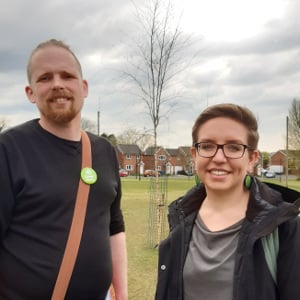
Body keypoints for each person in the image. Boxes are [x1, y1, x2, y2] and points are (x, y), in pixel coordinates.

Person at [0, 39, 127, 300]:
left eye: (67, 76)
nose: (57, 83)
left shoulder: (104, 151)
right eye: (45, 77)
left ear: (83, 87)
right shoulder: (8, 150)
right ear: (30, 92)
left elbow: (114, 227)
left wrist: (122, 294)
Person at [155, 103, 300, 300]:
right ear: (194, 155)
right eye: (207, 146)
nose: (219, 157)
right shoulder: (181, 216)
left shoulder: (285, 225)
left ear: (252, 159)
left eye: (233, 147)